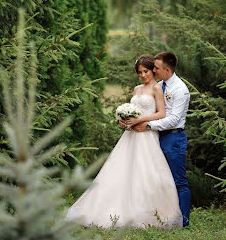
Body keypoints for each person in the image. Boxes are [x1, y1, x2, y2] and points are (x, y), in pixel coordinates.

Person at [65, 55, 183, 228]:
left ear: (152, 70)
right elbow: (132, 110)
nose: (143, 75)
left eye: (146, 71)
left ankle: (149, 212)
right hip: (131, 135)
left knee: (146, 171)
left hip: (146, 135)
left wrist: (140, 119)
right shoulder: (137, 89)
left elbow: (162, 113)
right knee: (121, 169)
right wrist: (125, 119)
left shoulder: (157, 88)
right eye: (139, 72)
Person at [131, 51, 191, 227]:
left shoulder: (180, 90)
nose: (153, 70)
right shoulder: (160, 85)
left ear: (166, 69)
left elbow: (173, 119)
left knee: (178, 181)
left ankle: (184, 221)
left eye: (156, 68)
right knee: (159, 179)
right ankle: (162, 217)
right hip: (156, 137)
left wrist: (147, 125)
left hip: (173, 138)